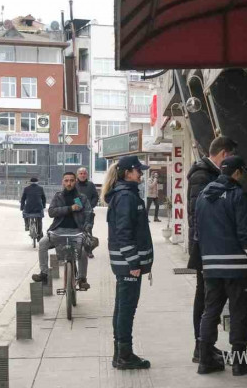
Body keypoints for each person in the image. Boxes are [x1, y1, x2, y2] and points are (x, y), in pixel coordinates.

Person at [195, 155, 247, 376]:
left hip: (211, 266)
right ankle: (239, 364)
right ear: (237, 172)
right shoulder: (238, 195)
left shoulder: (203, 195)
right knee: (239, 312)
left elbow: (198, 230)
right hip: (237, 267)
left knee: (210, 311)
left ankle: (205, 360)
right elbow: (246, 232)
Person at [187, 135, 238, 363]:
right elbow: (197, 214)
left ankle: (207, 345)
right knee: (205, 297)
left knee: (212, 297)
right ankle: (201, 347)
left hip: (212, 245)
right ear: (225, 154)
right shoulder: (202, 175)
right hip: (205, 246)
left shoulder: (211, 174)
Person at [102, 155, 153, 370]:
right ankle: (124, 355)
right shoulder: (126, 197)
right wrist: (134, 263)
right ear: (127, 173)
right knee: (126, 309)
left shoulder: (127, 195)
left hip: (126, 263)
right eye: (138, 170)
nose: (141, 173)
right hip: (128, 264)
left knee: (122, 307)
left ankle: (121, 353)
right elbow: (123, 233)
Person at [30, 172, 93, 291]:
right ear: (63, 182)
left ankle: (82, 279)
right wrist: (69, 208)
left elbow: (89, 214)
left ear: (75, 182)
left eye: (72, 180)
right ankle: (44, 274)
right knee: (43, 243)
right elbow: (51, 212)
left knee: (83, 250)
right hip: (58, 230)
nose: (69, 183)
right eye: (66, 180)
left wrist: (88, 227)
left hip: (77, 231)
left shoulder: (81, 198)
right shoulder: (58, 196)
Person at [75, 167, 99, 258]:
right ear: (77, 175)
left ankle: (89, 250)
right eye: (80, 173)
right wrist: (79, 206)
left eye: (84, 173)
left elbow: (95, 197)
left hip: (88, 212)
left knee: (88, 230)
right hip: (76, 211)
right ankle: (76, 250)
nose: (82, 175)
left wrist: (90, 205)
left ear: (87, 175)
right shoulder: (74, 184)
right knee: (76, 230)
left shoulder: (91, 185)